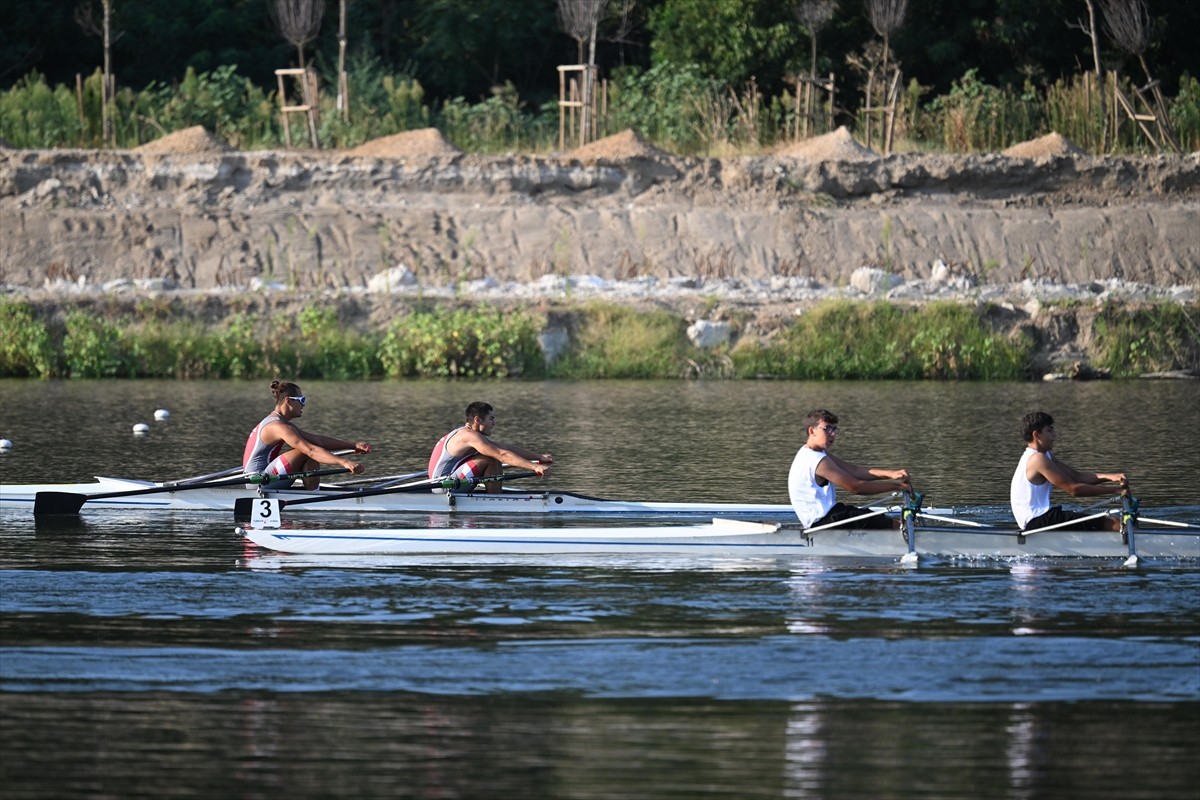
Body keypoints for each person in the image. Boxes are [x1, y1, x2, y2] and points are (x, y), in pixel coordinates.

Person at [787, 409, 913, 530]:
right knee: (893, 524)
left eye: (834, 429)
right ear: (812, 431)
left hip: (831, 515)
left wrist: (891, 474)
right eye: (827, 429)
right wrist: (897, 487)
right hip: (823, 522)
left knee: (876, 517)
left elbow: (854, 471)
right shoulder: (816, 460)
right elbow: (855, 487)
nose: (833, 434)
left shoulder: (814, 452)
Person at [1010, 410, 1127, 532]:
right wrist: (1116, 490)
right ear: (1036, 435)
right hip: (1037, 521)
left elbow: (1077, 477)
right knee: (1115, 524)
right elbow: (1074, 489)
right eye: (1049, 431)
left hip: (1041, 518)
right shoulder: (1037, 459)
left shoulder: (1044, 456)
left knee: (1114, 522)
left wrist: (1111, 477)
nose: (1054, 435)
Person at [242, 380, 371, 489]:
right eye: (301, 400)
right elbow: (310, 450)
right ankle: (314, 498)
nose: (303, 404)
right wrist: (345, 462)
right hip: (258, 481)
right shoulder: (277, 427)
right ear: (288, 401)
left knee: (310, 448)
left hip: (266, 476)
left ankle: (313, 494)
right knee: (306, 450)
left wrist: (353, 445)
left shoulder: (281, 423)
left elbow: (317, 441)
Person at [428, 401, 553, 493]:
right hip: (443, 487)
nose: (494, 423)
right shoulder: (468, 436)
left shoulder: (469, 434)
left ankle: (494, 496)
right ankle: (496, 500)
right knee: (491, 458)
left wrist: (539, 457)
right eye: (491, 418)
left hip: (448, 481)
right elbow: (502, 455)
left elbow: (505, 448)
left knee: (492, 453)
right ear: (477, 420)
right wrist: (535, 466)